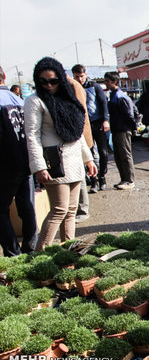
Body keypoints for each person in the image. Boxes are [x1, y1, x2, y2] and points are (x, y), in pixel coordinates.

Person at [23, 57, 96, 250]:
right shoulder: (34, 101)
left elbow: (77, 132)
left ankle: (68, 255)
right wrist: (38, 166)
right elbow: (32, 135)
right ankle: (40, 258)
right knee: (59, 209)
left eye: (53, 81)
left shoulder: (67, 98)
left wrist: (88, 158)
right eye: (43, 81)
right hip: (54, 162)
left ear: (60, 80)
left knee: (71, 211)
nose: (48, 85)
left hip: (74, 159)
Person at [0, 65, 37, 256]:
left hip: (5, 164)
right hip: (26, 159)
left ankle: (13, 253)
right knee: (26, 205)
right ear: (4, 76)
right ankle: (31, 247)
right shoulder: (21, 100)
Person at [72, 64, 109, 192]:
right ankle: (93, 181)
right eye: (77, 77)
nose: (80, 79)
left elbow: (103, 103)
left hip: (98, 123)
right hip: (84, 126)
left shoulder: (95, 87)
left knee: (103, 153)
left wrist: (105, 120)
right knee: (89, 154)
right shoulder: (73, 89)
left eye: (81, 76)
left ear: (85, 75)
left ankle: (102, 176)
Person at [104, 71, 136, 190]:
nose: (105, 83)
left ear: (114, 82)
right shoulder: (112, 95)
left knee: (125, 155)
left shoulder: (120, 96)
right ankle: (124, 179)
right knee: (118, 156)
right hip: (116, 130)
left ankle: (130, 180)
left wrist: (133, 128)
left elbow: (129, 114)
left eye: (107, 81)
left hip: (123, 130)